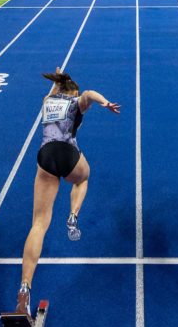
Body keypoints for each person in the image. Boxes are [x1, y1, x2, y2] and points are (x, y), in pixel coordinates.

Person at [15, 70, 120, 314]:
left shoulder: (48, 101)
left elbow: (53, 91)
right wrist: (104, 103)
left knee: (38, 224)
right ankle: (73, 214)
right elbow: (89, 94)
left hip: (46, 156)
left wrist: (57, 80)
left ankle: (25, 286)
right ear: (73, 92)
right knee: (83, 178)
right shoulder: (76, 101)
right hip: (68, 154)